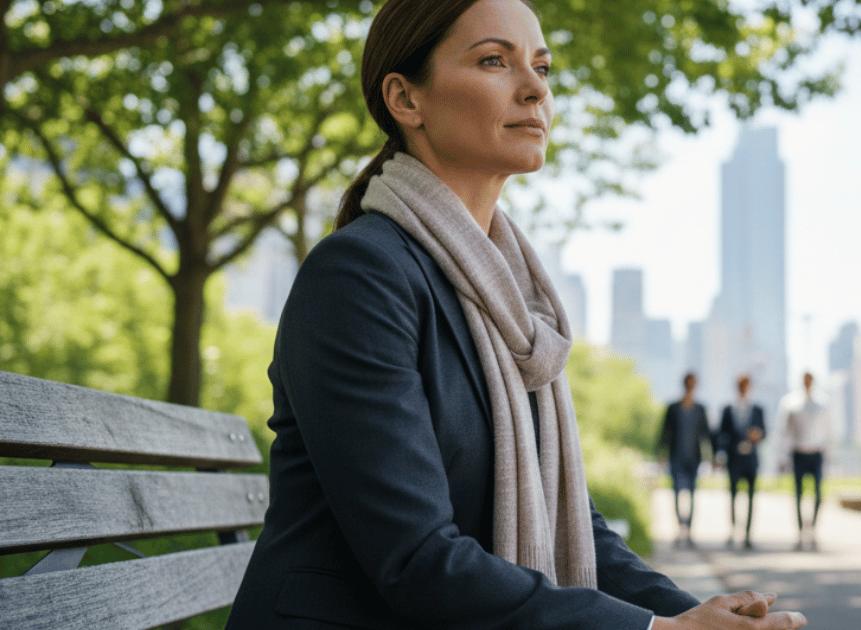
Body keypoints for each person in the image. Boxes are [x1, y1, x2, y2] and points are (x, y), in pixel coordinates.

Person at [224, 1, 806, 629]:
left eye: (544, 67)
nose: (535, 90)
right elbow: (416, 559)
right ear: (405, 99)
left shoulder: (512, 301)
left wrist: (694, 613)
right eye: (495, 61)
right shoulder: (359, 277)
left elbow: (573, 525)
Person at [776, 372, 832, 551]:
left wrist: (829, 457)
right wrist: (782, 457)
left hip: (816, 454)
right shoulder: (790, 403)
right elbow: (784, 432)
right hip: (798, 454)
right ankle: (800, 532)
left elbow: (829, 432)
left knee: (817, 495)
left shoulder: (822, 404)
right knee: (799, 496)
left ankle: (813, 530)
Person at [658, 372, 711, 548]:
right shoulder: (673, 408)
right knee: (677, 494)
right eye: (688, 383)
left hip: (694, 459)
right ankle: (679, 530)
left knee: (693, 495)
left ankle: (689, 532)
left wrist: (712, 457)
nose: (690, 386)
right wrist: (661, 454)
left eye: (693, 383)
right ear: (684, 384)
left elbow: (706, 435)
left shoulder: (700, 409)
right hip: (676, 457)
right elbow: (664, 432)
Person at [716, 374, 766, 550]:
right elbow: (721, 434)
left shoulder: (757, 409)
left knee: (751, 497)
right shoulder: (728, 409)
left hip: (751, 460)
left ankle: (748, 534)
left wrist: (757, 435)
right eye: (741, 385)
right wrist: (720, 455)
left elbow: (764, 432)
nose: (744, 388)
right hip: (734, 459)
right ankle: (732, 530)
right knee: (732, 496)